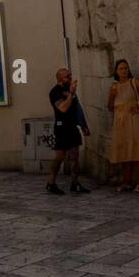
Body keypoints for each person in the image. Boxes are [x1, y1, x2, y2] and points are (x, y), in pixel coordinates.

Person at [108, 59, 139, 192]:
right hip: (120, 123)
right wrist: (112, 95)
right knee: (125, 152)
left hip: (134, 120)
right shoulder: (114, 87)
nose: (124, 71)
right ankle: (127, 181)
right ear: (116, 71)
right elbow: (110, 107)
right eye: (121, 68)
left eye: (126, 68)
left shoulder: (134, 82)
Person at [46, 68, 88, 196]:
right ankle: (51, 183)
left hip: (72, 127)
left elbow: (77, 107)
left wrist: (83, 125)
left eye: (70, 76)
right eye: (66, 77)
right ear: (59, 79)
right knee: (60, 157)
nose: (69, 79)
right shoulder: (55, 92)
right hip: (61, 127)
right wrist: (70, 94)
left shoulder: (71, 90)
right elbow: (63, 108)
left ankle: (75, 184)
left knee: (74, 157)